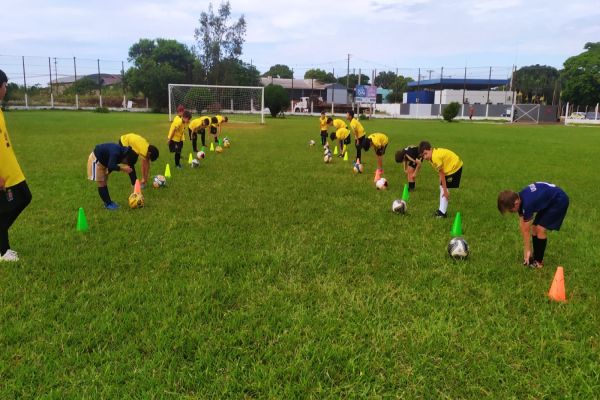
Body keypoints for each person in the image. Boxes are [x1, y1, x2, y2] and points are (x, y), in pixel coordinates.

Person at [497, 183, 569, 269]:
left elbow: (526, 230)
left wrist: (527, 250)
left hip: (559, 201)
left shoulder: (527, 203)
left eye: (511, 210)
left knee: (540, 229)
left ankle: (539, 262)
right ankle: (535, 257)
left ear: (516, 203)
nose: (511, 212)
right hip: (550, 201)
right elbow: (522, 224)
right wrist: (527, 250)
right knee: (534, 228)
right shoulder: (520, 198)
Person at [0, 69, 32, 261]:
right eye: (4, 85)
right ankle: (3, 251)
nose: (6, 88)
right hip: (4, 173)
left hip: (11, 168)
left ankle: (4, 249)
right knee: (21, 198)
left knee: (23, 198)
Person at [419, 141, 463, 218]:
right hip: (451, 166)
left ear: (430, 149)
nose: (425, 157)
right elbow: (440, 171)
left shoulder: (435, 157)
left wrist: (445, 191)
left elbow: (442, 173)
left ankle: (442, 213)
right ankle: (441, 211)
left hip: (455, 167)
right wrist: (441, 183)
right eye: (423, 155)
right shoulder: (431, 157)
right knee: (442, 186)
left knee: (443, 189)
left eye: (426, 153)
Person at [87, 143, 137, 210]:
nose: (125, 163)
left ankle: (108, 202)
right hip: (96, 160)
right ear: (126, 158)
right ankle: (108, 204)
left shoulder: (123, 152)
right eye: (126, 162)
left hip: (103, 162)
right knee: (101, 183)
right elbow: (111, 165)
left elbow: (112, 163)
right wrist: (123, 169)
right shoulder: (116, 152)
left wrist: (108, 172)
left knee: (104, 181)